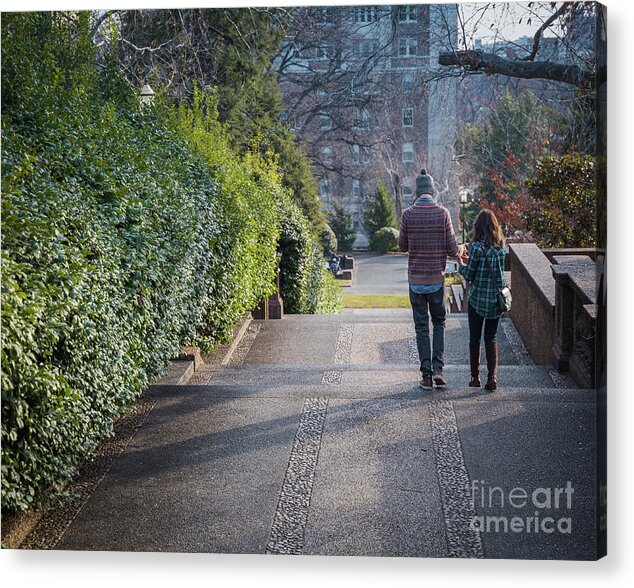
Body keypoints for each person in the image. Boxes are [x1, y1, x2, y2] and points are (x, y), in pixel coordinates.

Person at [398, 169, 465, 390]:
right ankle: (438, 370)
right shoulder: (443, 213)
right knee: (439, 323)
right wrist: (461, 250)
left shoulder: (408, 214)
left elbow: (402, 246)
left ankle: (426, 376)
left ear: (417, 192)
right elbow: (452, 248)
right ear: (432, 191)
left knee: (421, 328)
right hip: (436, 280)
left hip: (416, 281)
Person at [458, 209, 507, 391]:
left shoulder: (477, 248)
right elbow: (495, 272)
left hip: (477, 301)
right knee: (491, 337)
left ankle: (474, 377)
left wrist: (461, 263)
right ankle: (492, 378)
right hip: (495, 301)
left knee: (474, 338)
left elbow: (470, 275)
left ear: (477, 226)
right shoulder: (501, 247)